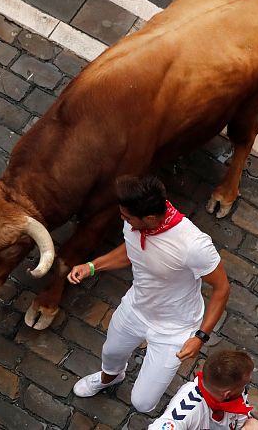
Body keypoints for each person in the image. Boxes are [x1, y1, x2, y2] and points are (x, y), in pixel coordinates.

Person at [68, 175, 230, 413]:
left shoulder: (193, 245)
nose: (123, 220)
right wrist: (92, 266)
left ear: (151, 219)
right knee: (111, 353)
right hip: (136, 308)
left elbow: (222, 288)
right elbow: (131, 248)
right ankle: (110, 378)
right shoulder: (135, 222)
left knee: (142, 403)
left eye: (127, 218)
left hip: (174, 329)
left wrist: (200, 337)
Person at [147, 350, 258, 429]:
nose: (245, 388)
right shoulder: (186, 410)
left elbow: (240, 420)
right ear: (227, 394)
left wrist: (249, 422)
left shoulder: (233, 391)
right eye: (245, 384)